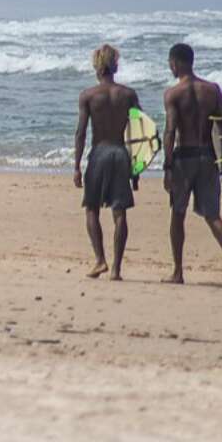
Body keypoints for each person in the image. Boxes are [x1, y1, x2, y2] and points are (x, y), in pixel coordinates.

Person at [161, 43, 222, 288]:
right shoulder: (212, 90)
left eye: (170, 63)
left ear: (176, 63)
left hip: (184, 158)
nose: (170, 67)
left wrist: (167, 165)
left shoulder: (173, 94)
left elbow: (171, 131)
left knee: (177, 214)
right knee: (213, 215)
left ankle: (177, 271)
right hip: (207, 157)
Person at [73, 44, 140, 281]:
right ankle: (116, 270)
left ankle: (100, 260)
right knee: (119, 211)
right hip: (121, 153)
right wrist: (138, 167)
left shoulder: (88, 96)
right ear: (115, 66)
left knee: (92, 208)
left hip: (99, 153)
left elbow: (81, 133)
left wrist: (76, 166)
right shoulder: (128, 94)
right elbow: (140, 130)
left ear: (97, 67)